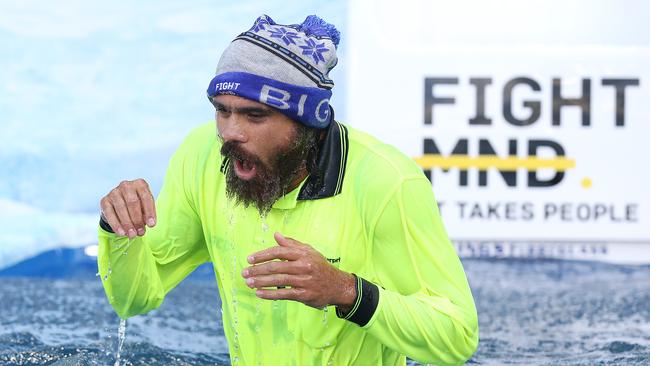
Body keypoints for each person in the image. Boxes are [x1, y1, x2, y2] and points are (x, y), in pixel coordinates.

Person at [97, 14, 478, 366]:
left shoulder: (387, 181)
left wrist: (346, 292)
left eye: (255, 115)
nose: (230, 133)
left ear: (305, 121)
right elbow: (135, 299)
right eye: (222, 110)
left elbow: (455, 337)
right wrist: (118, 231)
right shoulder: (202, 156)